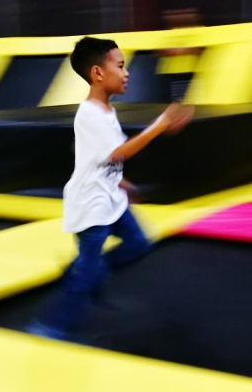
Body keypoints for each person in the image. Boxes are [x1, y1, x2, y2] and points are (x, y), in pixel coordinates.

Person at [27, 37, 194, 342]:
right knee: (87, 274)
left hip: (111, 198)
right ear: (98, 73)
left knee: (138, 243)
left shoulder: (105, 111)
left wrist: (121, 181)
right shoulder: (89, 113)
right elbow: (119, 152)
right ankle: (52, 326)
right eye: (120, 66)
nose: (127, 72)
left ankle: (85, 270)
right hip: (91, 207)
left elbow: (96, 154)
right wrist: (160, 125)